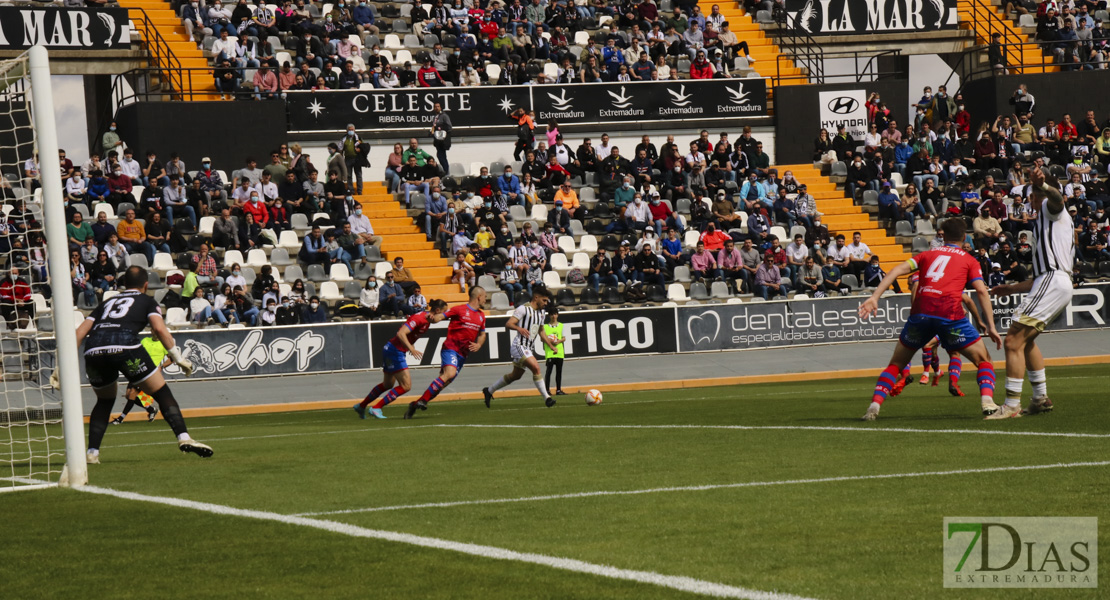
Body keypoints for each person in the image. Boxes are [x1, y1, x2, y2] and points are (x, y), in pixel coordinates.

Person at [858, 219, 1002, 421]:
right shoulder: (969, 260)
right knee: (983, 360)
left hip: (921, 314)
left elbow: (896, 271)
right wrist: (992, 326)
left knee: (896, 364)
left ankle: (874, 406)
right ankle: (987, 402)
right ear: (964, 237)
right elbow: (980, 291)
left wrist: (875, 297)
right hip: (950, 315)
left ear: (942, 235)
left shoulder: (926, 255)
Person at [72, 267, 211, 463]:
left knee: (104, 402)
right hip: (125, 346)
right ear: (146, 285)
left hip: (94, 350)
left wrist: (62, 364)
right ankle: (184, 438)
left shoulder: (107, 302)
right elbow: (159, 329)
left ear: (124, 284)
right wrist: (178, 358)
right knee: (162, 393)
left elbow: (79, 333)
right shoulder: (147, 300)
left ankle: (92, 453)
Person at [987, 167, 1074, 419]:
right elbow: (1040, 276)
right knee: (1026, 342)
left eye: (1031, 196)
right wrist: (1011, 288)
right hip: (1054, 281)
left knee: (1013, 340)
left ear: (1039, 195)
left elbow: (1058, 199)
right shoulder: (1047, 224)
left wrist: (1044, 187)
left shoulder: (1049, 208)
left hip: (1053, 280)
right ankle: (1040, 399)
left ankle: (1011, 405)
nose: (1029, 202)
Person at [353, 299, 449, 419]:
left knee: (387, 384)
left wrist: (410, 345)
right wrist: (411, 349)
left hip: (390, 349)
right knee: (406, 386)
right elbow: (401, 333)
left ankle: (361, 406)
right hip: (395, 351)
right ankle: (377, 407)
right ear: (437, 311)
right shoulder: (419, 318)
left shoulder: (427, 320)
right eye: (444, 313)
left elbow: (408, 335)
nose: (444, 316)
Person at [405, 287, 487, 419]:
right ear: (478, 297)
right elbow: (440, 317)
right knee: (450, 373)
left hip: (462, 355)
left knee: (444, 383)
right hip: (450, 348)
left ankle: (415, 404)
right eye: (485, 296)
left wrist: (479, 344)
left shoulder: (481, 315)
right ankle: (423, 401)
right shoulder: (459, 309)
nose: (485, 299)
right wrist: (432, 318)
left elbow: (482, 334)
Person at [482, 287, 558, 407]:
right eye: (544, 300)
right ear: (536, 298)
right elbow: (509, 323)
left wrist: (551, 346)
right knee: (536, 367)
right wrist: (519, 328)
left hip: (528, 348)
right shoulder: (523, 309)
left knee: (515, 376)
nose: (545, 303)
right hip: (519, 345)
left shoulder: (542, 313)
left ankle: (489, 391)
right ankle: (547, 398)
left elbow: (541, 331)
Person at [109, 336, 169, 424]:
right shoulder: (145, 340)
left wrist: (162, 366)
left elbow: (171, 358)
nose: (155, 333)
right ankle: (151, 409)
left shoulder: (163, 344)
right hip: (137, 369)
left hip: (148, 373)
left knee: (132, 393)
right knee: (128, 395)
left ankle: (120, 419)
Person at [543, 306, 566, 396]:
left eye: (555, 314)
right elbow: (542, 339)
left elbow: (564, 338)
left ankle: (558, 390)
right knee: (548, 372)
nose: (554, 316)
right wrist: (550, 341)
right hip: (550, 352)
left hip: (559, 352)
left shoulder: (561, 326)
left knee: (559, 372)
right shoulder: (545, 327)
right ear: (549, 316)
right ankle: (547, 390)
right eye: (552, 314)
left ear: (558, 315)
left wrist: (558, 341)